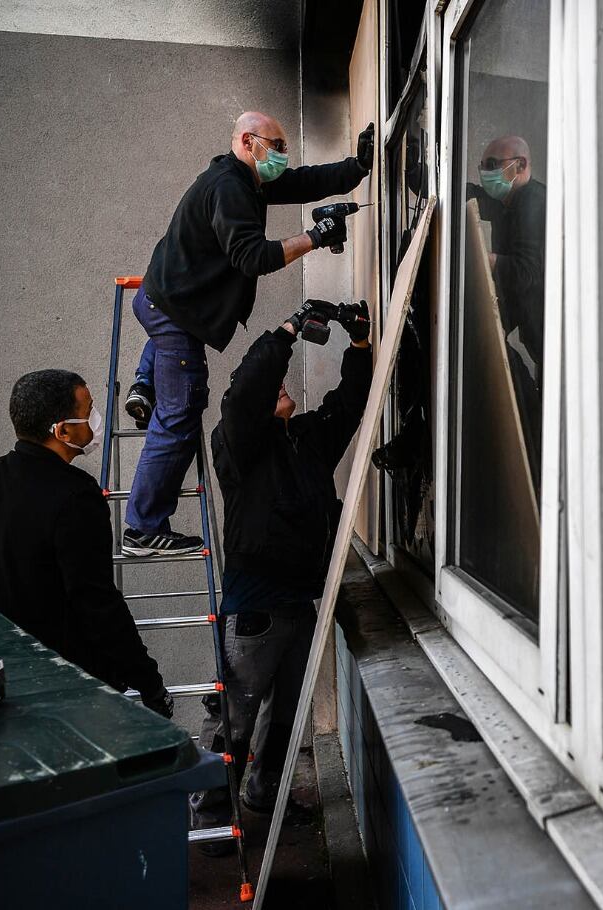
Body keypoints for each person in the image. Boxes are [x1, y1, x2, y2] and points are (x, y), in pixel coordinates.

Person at [120, 111, 375, 556]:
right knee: (181, 412)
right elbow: (252, 257)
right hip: (175, 315)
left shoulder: (246, 177)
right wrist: (315, 236)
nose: (282, 155)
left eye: (283, 147)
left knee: (170, 379)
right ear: (247, 141)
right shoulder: (230, 188)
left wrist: (357, 167)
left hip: (166, 302)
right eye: (275, 146)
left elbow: (300, 182)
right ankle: (142, 528)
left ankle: (146, 382)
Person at [189, 299, 373, 844]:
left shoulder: (305, 441)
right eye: (274, 388)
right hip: (255, 609)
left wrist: (358, 344)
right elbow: (245, 391)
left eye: (283, 384)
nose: (283, 387)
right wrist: (288, 330)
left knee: (285, 715)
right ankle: (209, 812)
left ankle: (263, 791)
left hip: (299, 602)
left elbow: (350, 405)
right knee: (234, 714)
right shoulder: (239, 448)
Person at [0, 369, 172, 717]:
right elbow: (96, 602)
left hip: (2, 680)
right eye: (88, 410)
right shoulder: (76, 497)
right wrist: (149, 682)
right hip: (68, 689)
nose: (96, 418)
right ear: (63, 430)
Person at [468, 135, 546, 467]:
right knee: (486, 346)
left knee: (537, 418)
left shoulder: (532, 203)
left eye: (491, 166)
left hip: (554, 337)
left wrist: (483, 257)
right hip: (534, 329)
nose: (486, 174)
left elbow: (528, 273)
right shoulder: (507, 202)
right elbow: (470, 194)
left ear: (520, 166)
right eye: (482, 166)